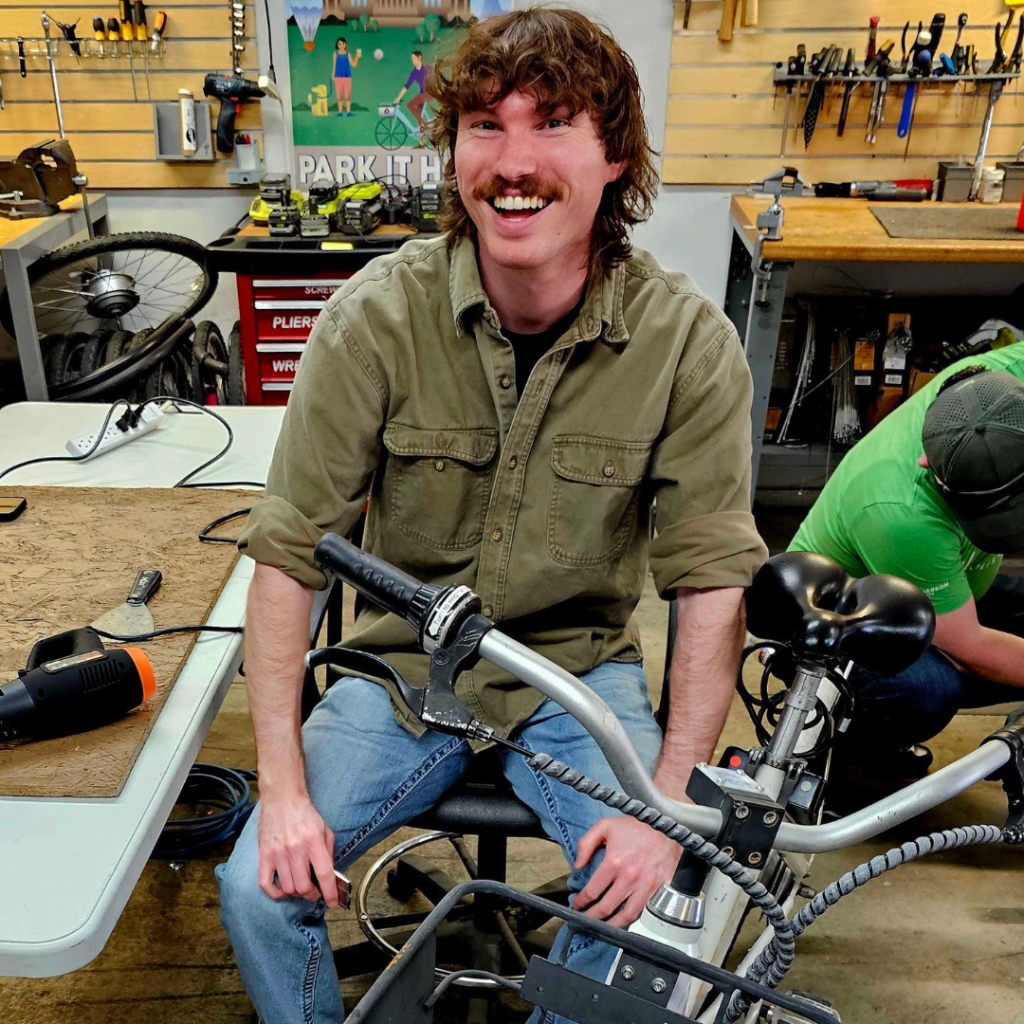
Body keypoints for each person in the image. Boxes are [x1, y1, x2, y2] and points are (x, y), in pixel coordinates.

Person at [216, 9, 767, 1023]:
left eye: (550, 124)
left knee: (655, 914)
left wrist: (672, 806)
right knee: (255, 880)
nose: (512, 163)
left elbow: (711, 581)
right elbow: (289, 558)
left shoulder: (685, 342)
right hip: (396, 677)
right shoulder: (374, 318)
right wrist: (282, 791)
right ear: (453, 151)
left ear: (614, 160)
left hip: (575, 673)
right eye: (484, 124)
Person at [789, 348, 1024, 781]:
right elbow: (969, 647)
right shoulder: (903, 513)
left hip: (949, 587)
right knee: (928, 689)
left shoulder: (1002, 385)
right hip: (839, 628)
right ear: (928, 466)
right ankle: (844, 766)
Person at [394, 49, 432, 142]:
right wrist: (398, 98)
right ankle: (421, 142)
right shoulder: (414, 73)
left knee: (409, 105)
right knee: (418, 118)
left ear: (419, 58)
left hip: (429, 93)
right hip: (423, 94)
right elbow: (407, 86)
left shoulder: (427, 68)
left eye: (414, 58)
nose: (412, 60)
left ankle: (425, 125)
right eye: (412, 58)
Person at [331, 37, 361, 116]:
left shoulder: (348, 54)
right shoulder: (335, 54)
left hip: (347, 77)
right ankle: (340, 112)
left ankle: (348, 112)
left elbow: (354, 64)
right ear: (337, 45)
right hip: (338, 77)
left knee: (347, 95)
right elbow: (334, 65)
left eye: (343, 44)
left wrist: (357, 56)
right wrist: (333, 75)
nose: (341, 45)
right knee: (339, 95)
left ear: (345, 45)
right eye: (339, 44)